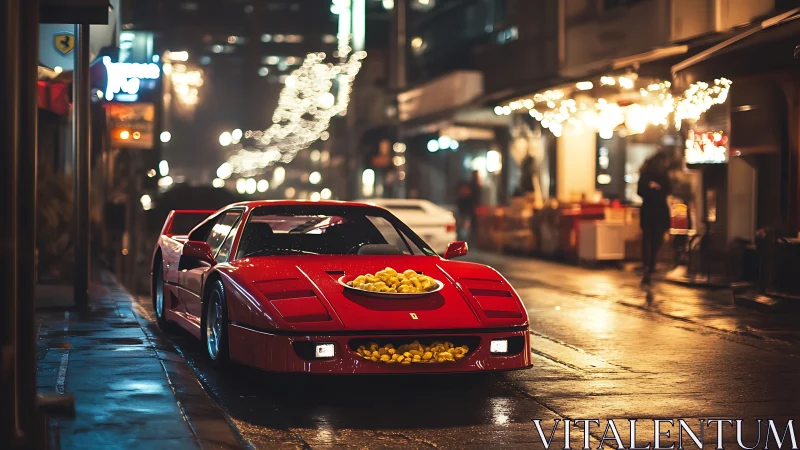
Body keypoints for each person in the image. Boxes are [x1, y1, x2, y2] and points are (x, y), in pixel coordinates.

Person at [637, 151, 672, 286]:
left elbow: (668, 189)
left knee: (655, 238)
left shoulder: (663, 174)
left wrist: (655, 188)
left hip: (655, 210)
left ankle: (650, 263)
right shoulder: (648, 174)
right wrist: (653, 189)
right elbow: (641, 190)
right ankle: (648, 264)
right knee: (650, 237)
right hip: (653, 210)